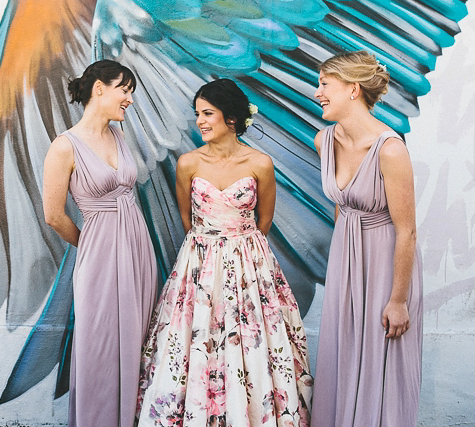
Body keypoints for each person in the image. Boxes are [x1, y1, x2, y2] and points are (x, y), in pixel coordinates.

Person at [137, 78, 313, 427]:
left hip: (250, 265)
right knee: (195, 341)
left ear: (231, 119)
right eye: (197, 113)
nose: (200, 121)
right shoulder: (188, 163)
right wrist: (211, 254)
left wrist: (239, 253)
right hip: (199, 264)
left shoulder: (260, 163)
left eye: (207, 113)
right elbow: (189, 221)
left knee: (252, 343)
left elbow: (263, 221)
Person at [310, 51, 423, 427]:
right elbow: (344, 209)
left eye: (325, 84)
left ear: (353, 89)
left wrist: (398, 300)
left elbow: (406, 230)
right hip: (347, 260)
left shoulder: (390, 150)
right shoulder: (323, 141)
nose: (317, 93)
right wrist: (345, 262)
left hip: (385, 266)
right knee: (343, 357)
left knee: (381, 363)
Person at [43, 59, 158, 427]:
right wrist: (92, 245)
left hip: (138, 252)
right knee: (100, 347)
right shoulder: (65, 147)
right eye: (124, 90)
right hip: (100, 256)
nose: (129, 99)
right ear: (99, 89)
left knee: (137, 342)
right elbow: (53, 215)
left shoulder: (117, 135)